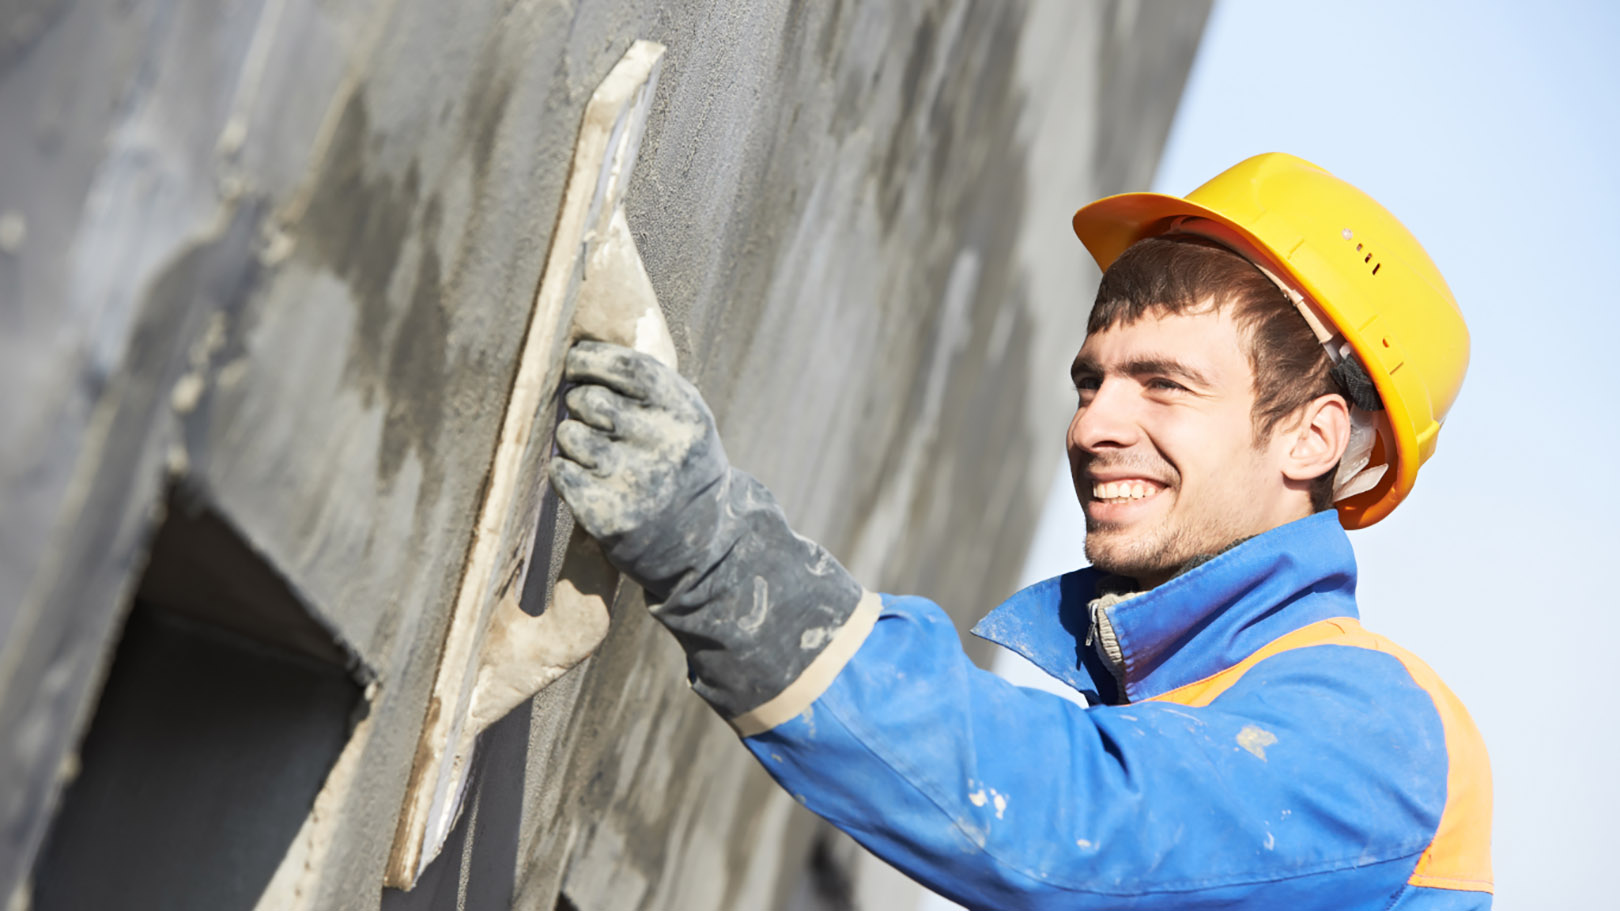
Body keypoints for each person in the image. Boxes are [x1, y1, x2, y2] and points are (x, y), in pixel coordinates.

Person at [548, 153, 1493, 909]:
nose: (1091, 428)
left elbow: (1068, 824)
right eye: (1092, 381)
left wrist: (718, 557)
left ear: (1312, 434)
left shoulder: (1381, 730)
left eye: (1163, 383)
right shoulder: (1183, 703)